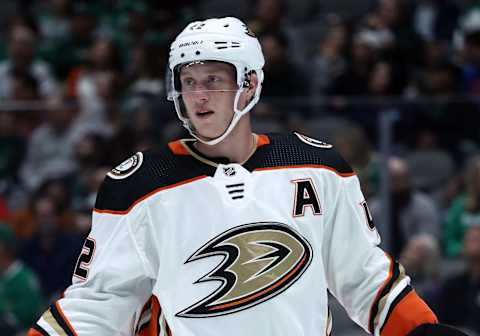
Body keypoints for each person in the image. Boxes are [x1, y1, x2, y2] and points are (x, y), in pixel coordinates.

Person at [29, 17, 465, 336]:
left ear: (251, 85)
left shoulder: (319, 167)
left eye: (213, 80)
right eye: (188, 81)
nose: (198, 96)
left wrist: (419, 332)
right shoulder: (139, 185)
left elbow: (363, 274)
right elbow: (100, 305)